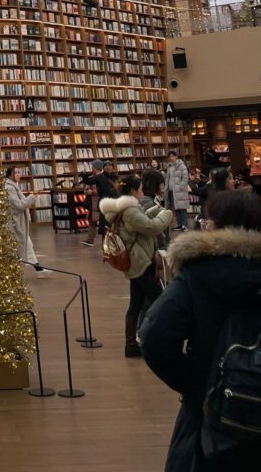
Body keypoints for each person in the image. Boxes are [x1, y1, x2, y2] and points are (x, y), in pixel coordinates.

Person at [141, 190, 261, 472]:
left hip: (208, 411)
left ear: (216, 225)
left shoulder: (198, 273)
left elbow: (155, 336)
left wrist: (195, 381)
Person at [100, 175, 174, 357]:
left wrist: (156, 210)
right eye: (140, 189)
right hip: (141, 262)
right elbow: (151, 227)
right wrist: (165, 215)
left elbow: (142, 222)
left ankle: (131, 345)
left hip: (135, 262)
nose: (142, 192)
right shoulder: (130, 210)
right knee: (161, 303)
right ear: (133, 191)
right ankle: (159, 341)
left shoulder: (126, 208)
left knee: (136, 305)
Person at [4, 168, 51, 275]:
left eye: (19, 172)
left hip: (19, 224)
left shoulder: (14, 187)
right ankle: (13, 272)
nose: (18, 175)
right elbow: (19, 205)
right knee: (17, 248)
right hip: (15, 224)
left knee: (28, 246)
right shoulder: (9, 188)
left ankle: (39, 270)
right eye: (15, 173)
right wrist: (31, 197)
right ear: (10, 174)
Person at [81, 159, 118, 247]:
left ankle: (106, 246)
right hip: (109, 202)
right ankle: (108, 244)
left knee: (104, 225)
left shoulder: (99, 176)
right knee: (105, 224)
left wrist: (84, 175)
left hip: (104, 203)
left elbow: (88, 181)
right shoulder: (104, 177)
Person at [165, 150, 190, 231]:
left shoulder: (181, 165)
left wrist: (181, 187)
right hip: (172, 190)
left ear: (176, 156)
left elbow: (185, 177)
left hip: (180, 190)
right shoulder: (169, 166)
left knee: (182, 208)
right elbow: (168, 178)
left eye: (172, 156)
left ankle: (184, 225)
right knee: (176, 208)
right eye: (170, 156)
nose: (171, 158)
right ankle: (179, 224)